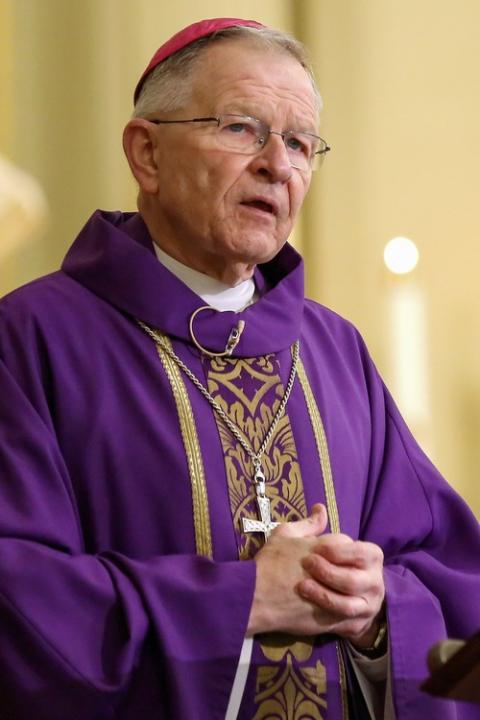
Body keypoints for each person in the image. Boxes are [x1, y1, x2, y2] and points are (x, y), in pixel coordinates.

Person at [0, 17, 478, 720]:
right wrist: (240, 600)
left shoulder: (333, 350)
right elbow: (19, 600)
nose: (277, 165)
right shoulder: (33, 339)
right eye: (241, 128)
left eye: (299, 143)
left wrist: (378, 607)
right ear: (147, 154)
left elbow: (448, 581)